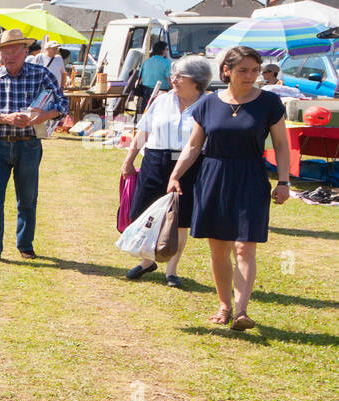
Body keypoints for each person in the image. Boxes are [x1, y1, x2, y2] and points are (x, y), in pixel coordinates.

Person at [167, 46, 291, 330]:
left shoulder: (269, 102)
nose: (250, 76)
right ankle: (224, 305)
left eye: (255, 71)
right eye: (243, 71)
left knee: (245, 247)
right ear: (227, 71)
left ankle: (242, 311)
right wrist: (175, 175)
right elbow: (195, 145)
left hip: (251, 176)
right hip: (214, 175)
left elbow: (282, 145)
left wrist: (284, 182)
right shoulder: (209, 103)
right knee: (219, 248)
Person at [0, 29, 69, 261]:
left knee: (27, 197)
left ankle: (25, 244)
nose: (9, 55)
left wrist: (44, 116)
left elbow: (63, 103)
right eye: (4, 50)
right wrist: (6, 118)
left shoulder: (41, 74)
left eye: (14, 49)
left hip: (29, 144)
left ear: (26, 51)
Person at [120, 56, 211, 288]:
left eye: (181, 76)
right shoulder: (161, 101)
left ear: (197, 81)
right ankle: (148, 260)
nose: (174, 79)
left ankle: (172, 270)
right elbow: (143, 131)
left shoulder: (208, 105)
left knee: (179, 219)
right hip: (155, 160)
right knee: (144, 211)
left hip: (188, 164)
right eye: (174, 75)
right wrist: (129, 159)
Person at [135, 41, 172, 113]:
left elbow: (140, 78)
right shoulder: (167, 62)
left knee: (145, 113)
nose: (167, 51)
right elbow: (169, 78)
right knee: (159, 114)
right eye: (166, 49)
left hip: (145, 91)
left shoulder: (146, 61)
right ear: (162, 50)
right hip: (161, 92)